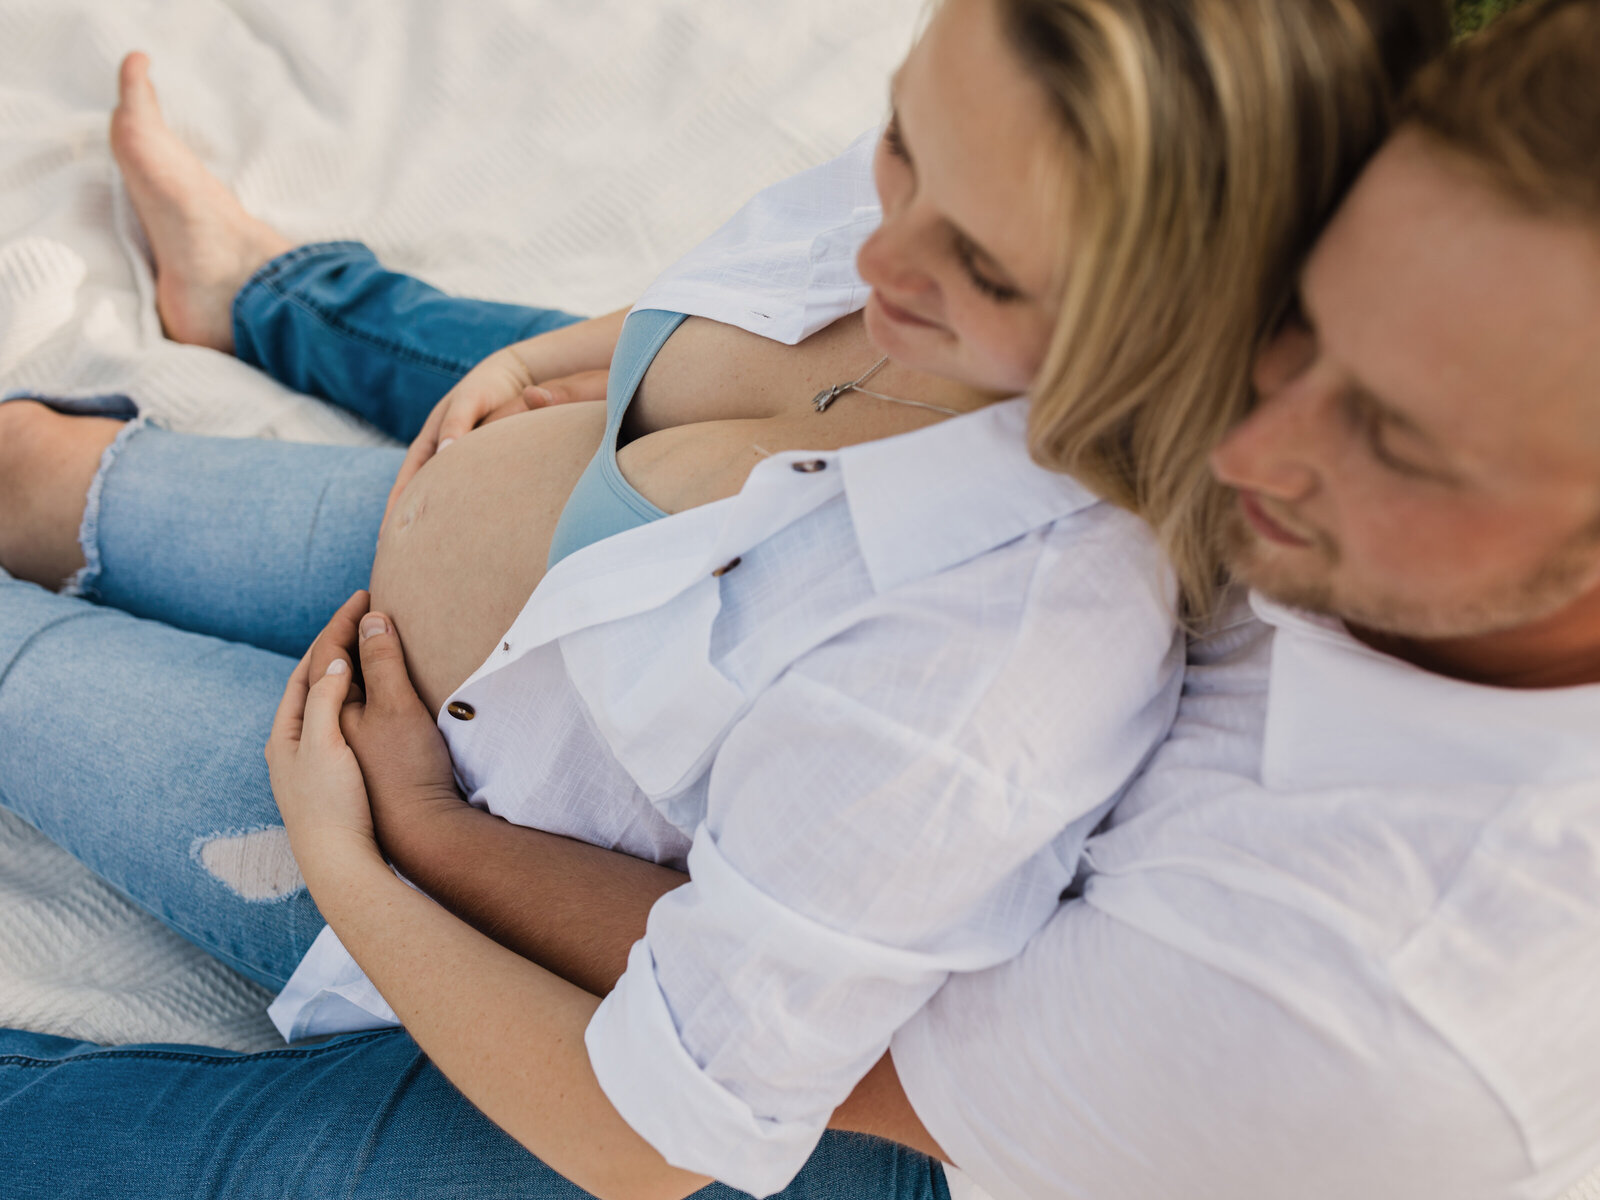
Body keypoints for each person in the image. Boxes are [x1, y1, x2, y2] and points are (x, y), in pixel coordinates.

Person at [0, 1, 1447, 1199]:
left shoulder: (987, 674)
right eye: (899, 147)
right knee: (28, 467)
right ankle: (269, 300)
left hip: (426, 816)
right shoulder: (992, 155)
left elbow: (645, 1135)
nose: (890, 255)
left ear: (1178, 327)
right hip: (481, 580)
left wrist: (367, 853)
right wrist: (568, 356)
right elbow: (789, 272)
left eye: (985, 271)